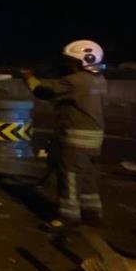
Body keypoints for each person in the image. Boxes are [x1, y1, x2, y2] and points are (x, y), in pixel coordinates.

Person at [21, 40, 108, 226]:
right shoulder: (100, 80)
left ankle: (68, 216)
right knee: (88, 176)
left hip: (76, 141)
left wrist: (29, 77)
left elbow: (43, 91)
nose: (68, 64)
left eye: (71, 61)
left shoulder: (75, 81)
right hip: (94, 141)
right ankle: (92, 212)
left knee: (70, 176)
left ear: (83, 61)